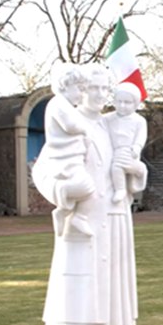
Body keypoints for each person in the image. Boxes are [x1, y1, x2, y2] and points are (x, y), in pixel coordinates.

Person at [32, 64, 148, 325]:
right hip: (82, 233)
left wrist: (137, 171)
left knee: (114, 308)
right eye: (95, 88)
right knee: (82, 311)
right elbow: (43, 172)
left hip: (115, 224)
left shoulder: (111, 127)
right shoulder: (66, 125)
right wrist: (66, 191)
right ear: (80, 90)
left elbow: (130, 169)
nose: (101, 95)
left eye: (105, 89)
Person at [39, 63, 93, 238]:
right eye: (79, 89)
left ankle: (66, 209)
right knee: (88, 188)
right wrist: (85, 128)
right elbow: (70, 126)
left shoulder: (69, 107)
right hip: (64, 159)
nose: (82, 94)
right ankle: (63, 195)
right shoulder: (58, 104)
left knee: (90, 191)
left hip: (75, 158)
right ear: (65, 85)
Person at [106, 82, 148, 204]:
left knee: (117, 165)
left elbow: (141, 137)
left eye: (127, 102)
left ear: (135, 104)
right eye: (119, 102)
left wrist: (136, 147)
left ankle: (122, 188)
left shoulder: (139, 121)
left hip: (129, 152)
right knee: (116, 165)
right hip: (114, 151)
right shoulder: (108, 118)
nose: (122, 105)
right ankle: (120, 188)